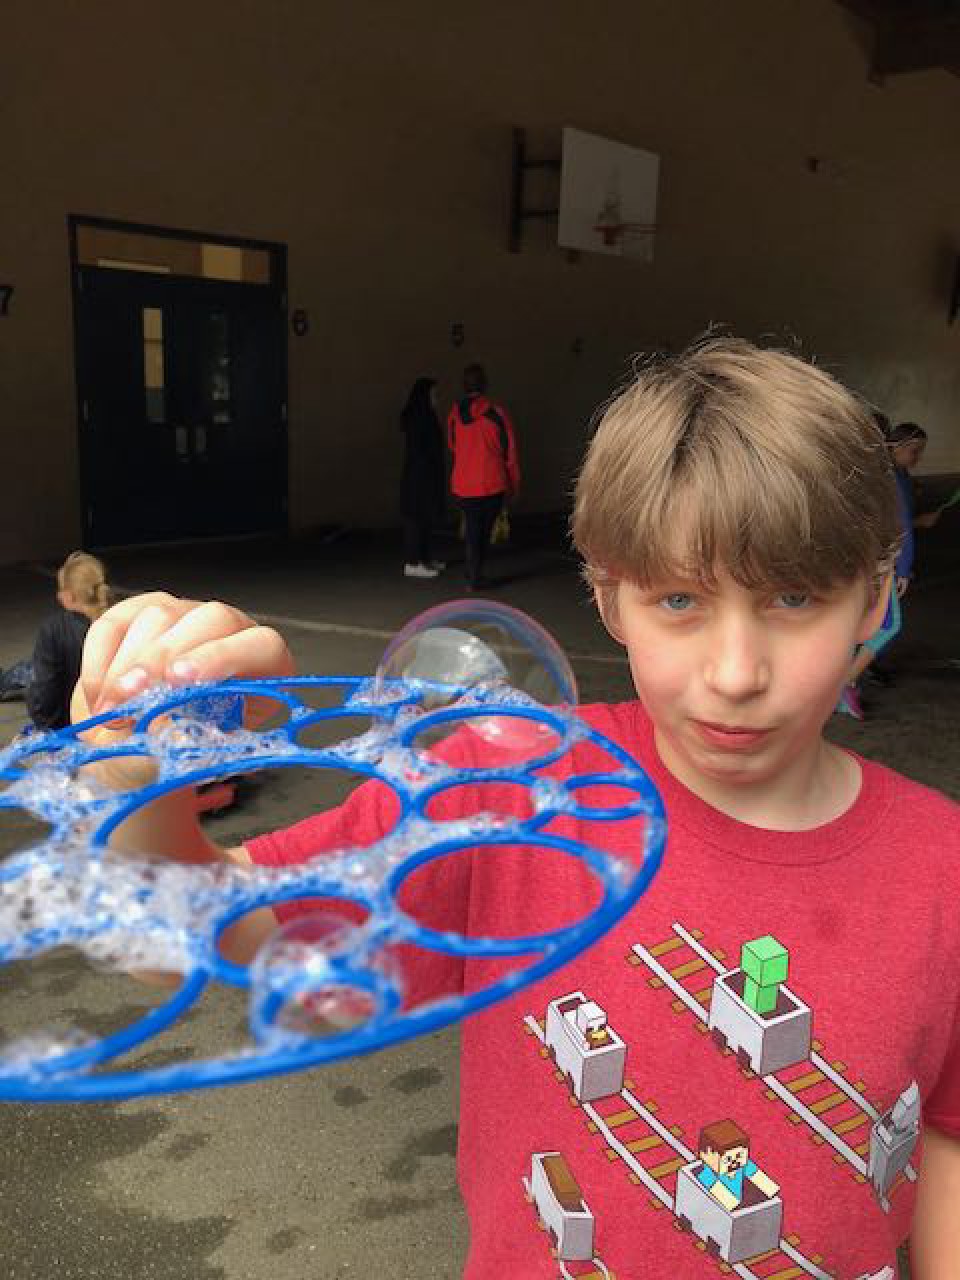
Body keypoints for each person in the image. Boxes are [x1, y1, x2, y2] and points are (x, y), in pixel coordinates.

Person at [74, 338, 960, 1279]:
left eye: (793, 596)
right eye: (678, 599)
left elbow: (945, 1139)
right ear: (609, 597)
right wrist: (132, 780)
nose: (736, 673)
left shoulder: (943, 868)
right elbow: (173, 939)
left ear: (876, 599)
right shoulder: (512, 792)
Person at [838, 421, 942, 718]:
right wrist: (903, 569)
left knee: (865, 621)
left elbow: (901, 521)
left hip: (869, 558)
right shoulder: (891, 480)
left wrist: (921, 519)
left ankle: (844, 680)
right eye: (914, 451)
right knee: (888, 625)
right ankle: (844, 684)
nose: (918, 457)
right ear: (896, 448)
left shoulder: (894, 476)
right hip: (879, 562)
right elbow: (901, 527)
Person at [447, 363, 520, 589]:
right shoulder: (497, 414)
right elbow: (510, 453)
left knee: (472, 530)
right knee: (484, 532)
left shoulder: (455, 414)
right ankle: (475, 574)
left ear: (464, 385)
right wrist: (513, 485)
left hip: (463, 484)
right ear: (485, 384)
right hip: (491, 483)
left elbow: (452, 445)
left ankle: (473, 572)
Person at [27, 551, 111, 729]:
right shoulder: (118, 621)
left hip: (69, 727)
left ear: (68, 596)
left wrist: (44, 724)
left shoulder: (54, 630)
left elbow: (45, 692)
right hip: (113, 723)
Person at [399, 376, 446, 579]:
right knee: (416, 519)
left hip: (423, 475)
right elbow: (421, 449)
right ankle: (413, 562)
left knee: (425, 518)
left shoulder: (425, 415)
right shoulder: (419, 418)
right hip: (419, 477)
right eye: (433, 394)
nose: (436, 398)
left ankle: (424, 558)